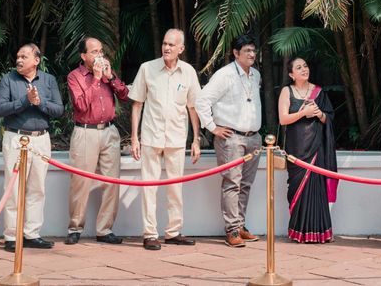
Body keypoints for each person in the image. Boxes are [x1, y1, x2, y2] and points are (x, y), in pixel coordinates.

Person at [130, 28, 202, 250]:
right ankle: (149, 234)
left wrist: (196, 140)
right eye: (164, 43)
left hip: (176, 138)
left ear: (181, 48)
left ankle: (173, 232)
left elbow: (193, 108)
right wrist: (135, 138)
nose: (167, 48)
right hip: (151, 137)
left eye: (172, 44)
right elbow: (137, 104)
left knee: (175, 188)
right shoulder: (147, 69)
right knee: (149, 187)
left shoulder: (188, 72)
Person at [195, 35, 263, 248]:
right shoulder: (224, 75)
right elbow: (202, 100)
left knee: (246, 184)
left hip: (254, 137)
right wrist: (212, 127)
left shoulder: (256, 75)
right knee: (232, 183)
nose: (252, 54)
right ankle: (232, 230)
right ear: (235, 53)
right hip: (231, 137)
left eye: (253, 50)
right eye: (247, 51)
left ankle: (241, 226)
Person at [0, 43, 63, 252]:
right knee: (14, 188)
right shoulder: (8, 79)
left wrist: (39, 102)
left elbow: (59, 109)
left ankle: (31, 234)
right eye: (17, 56)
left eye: (24, 56)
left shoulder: (48, 80)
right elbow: (0, 108)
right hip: (16, 138)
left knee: (37, 188)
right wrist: (25, 100)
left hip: (41, 139)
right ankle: (11, 236)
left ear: (36, 60)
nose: (19, 60)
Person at [65, 37, 130, 245]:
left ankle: (105, 229)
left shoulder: (107, 74)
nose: (99, 55)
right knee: (80, 182)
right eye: (94, 52)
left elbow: (124, 95)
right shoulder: (75, 77)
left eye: (101, 51)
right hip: (85, 132)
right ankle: (75, 227)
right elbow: (81, 105)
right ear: (83, 56)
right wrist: (95, 78)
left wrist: (110, 78)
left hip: (109, 132)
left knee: (112, 182)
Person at [278, 56, 338, 243]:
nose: (304, 69)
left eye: (305, 65)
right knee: (297, 189)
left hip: (316, 149)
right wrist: (303, 113)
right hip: (296, 150)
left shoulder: (319, 92)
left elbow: (329, 117)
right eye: (298, 67)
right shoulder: (286, 92)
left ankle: (319, 232)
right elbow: (283, 119)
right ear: (291, 74)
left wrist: (320, 114)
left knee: (317, 190)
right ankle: (299, 232)